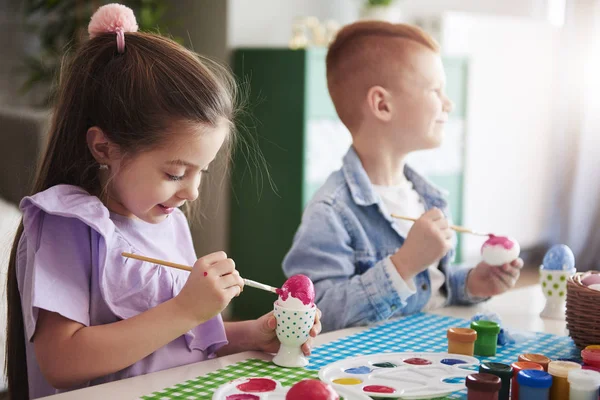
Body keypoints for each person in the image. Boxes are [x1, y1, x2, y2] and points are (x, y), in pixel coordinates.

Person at [5, 4, 320, 398]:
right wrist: (186, 309)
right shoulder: (67, 223)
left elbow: (175, 346)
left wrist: (253, 334)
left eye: (201, 171)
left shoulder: (168, 221)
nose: (192, 192)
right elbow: (62, 363)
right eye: (175, 173)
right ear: (104, 147)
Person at [282, 21, 522, 332]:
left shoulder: (427, 197)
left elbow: (430, 286)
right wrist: (404, 264)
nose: (448, 103)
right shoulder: (332, 210)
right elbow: (313, 310)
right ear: (382, 104)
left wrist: (473, 283)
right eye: (435, 90)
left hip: (425, 352)